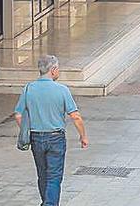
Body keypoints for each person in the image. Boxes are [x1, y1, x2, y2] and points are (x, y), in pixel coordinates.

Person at [14, 56, 89, 206]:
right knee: (54, 176)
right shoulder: (62, 90)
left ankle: (46, 202)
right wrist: (83, 136)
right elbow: (75, 116)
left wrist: (27, 129)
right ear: (53, 70)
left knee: (42, 174)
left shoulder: (29, 88)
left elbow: (18, 114)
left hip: (36, 137)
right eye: (58, 68)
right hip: (56, 138)